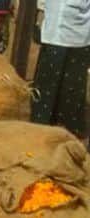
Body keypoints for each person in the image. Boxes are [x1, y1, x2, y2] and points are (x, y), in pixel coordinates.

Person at [30, 0, 90, 145]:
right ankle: (39, 134)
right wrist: (37, 19)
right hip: (54, 32)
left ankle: (68, 140)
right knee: (46, 90)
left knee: (71, 91)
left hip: (79, 35)